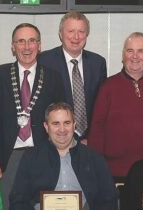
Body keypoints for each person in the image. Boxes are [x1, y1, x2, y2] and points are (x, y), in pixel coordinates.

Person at [0, 23, 65, 210]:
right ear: (13, 46)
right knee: (8, 209)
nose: (27, 47)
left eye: (32, 41)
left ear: (39, 45)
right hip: (10, 155)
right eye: (21, 41)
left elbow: (60, 119)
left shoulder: (54, 77)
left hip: (42, 154)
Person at [89, 32, 143, 181]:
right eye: (130, 51)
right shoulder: (108, 87)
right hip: (115, 171)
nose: (135, 56)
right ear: (123, 55)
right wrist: (97, 168)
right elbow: (97, 130)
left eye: (141, 51)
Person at [39, 11, 106, 141]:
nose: (76, 37)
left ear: (86, 35)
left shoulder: (98, 63)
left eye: (81, 32)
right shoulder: (44, 61)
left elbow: (100, 106)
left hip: (90, 141)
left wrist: (91, 137)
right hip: (55, 140)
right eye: (70, 31)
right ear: (60, 34)